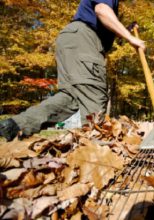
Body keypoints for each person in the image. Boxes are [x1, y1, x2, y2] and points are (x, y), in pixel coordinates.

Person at [0, 0, 145, 142]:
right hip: (84, 40)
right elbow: (101, 9)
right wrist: (131, 38)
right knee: (94, 100)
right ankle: (92, 153)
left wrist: (126, 30)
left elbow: (104, 22)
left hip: (72, 40)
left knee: (70, 98)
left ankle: (15, 125)